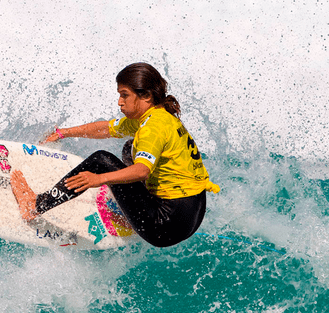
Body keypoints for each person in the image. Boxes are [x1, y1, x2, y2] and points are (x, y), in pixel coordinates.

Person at [11, 63, 220, 247]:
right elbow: (106, 129)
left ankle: (35, 206)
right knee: (130, 148)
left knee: (101, 161)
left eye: (125, 95)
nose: (120, 102)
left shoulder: (152, 128)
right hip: (190, 215)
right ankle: (134, 210)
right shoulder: (158, 116)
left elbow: (142, 170)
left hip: (164, 226)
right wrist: (62, 133)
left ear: (146, 96)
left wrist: (99, 178)